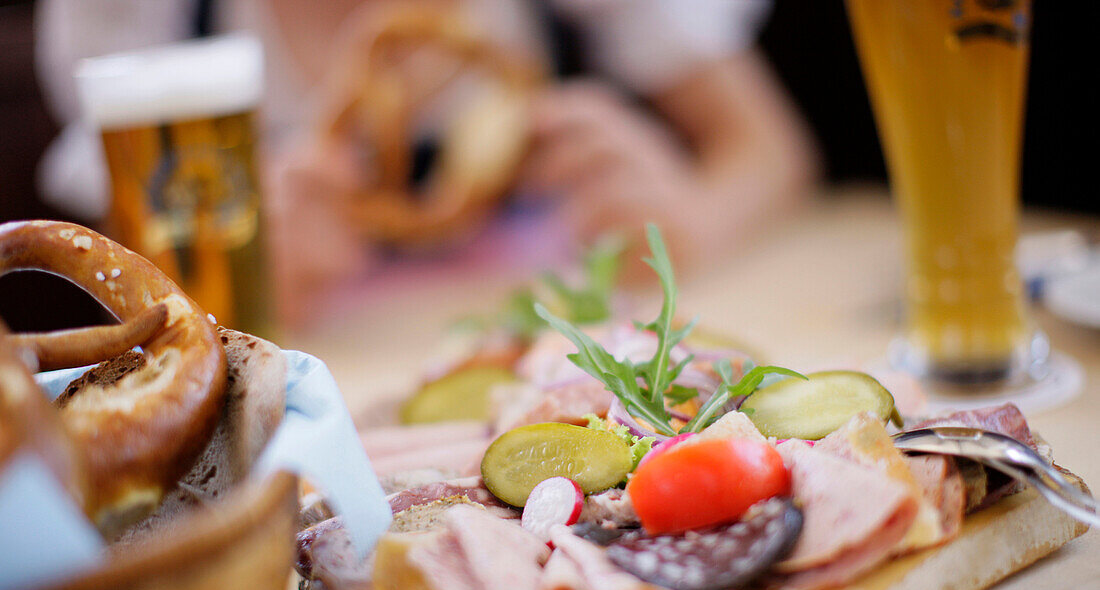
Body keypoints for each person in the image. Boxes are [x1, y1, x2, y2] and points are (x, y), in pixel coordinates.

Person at [35, 0, 818, 326]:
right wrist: (217, 281)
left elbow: (769, 146)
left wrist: (694, 215)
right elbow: (114, 273)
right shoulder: (138, 18)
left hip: (573, 356)